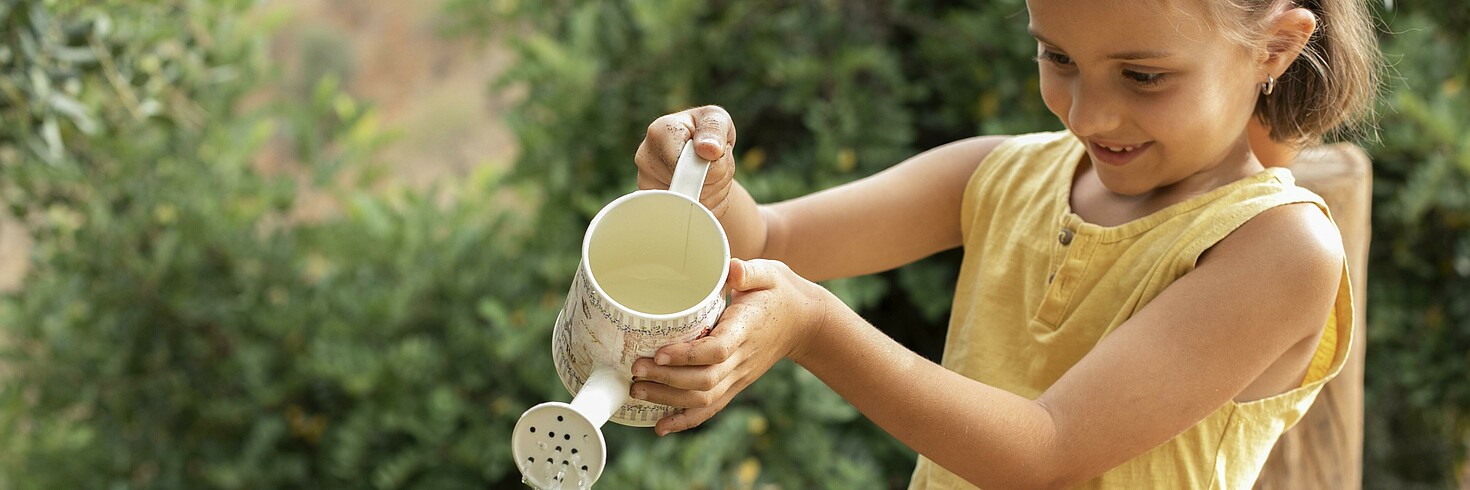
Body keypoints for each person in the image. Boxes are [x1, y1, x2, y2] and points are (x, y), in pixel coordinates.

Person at [626, 0, 1380, 487]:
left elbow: (1044, 451)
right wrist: (710, 189)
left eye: (1143, 76)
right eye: (1058, 58)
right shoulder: (999, 175)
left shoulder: (1278, 249)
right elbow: (777, 237)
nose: (1088, 114)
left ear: (1275, 48)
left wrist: (813, 327)